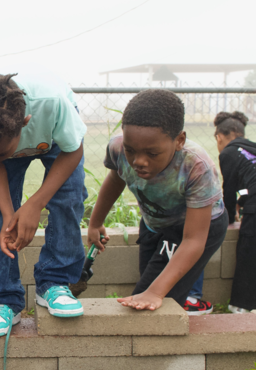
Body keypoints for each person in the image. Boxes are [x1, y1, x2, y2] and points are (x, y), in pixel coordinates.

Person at [0, 73, 88, 339]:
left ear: (25, 124)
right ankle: (3, 298)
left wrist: (35, 204)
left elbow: (74, 150)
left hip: (56, 137)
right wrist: (8, 215)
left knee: (68, 197)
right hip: (3, 138)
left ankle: (55, 282)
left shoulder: (51, 105)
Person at [88, 90, 227, 311]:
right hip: (155, 220)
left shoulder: (195, 166)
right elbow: (116, 180)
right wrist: (95, 222)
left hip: (197, 226)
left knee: (159, 294)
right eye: (131, 150)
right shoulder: (117, 148)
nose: (138, 161)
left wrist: (155, 292)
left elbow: (192, 241)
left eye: (152, 154)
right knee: (148, 283)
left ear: (179, 140)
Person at [213, 111, 256, 313]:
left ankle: (241, 306)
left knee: (248, 254)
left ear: (220, 136)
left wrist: (229, 216)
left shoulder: (229, 152)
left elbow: (228, 189)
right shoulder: (252, 150)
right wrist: (243, 202)